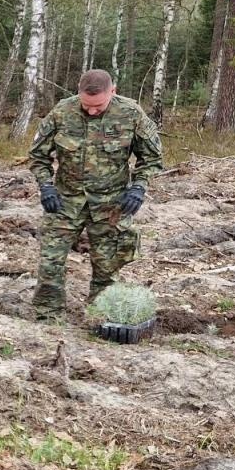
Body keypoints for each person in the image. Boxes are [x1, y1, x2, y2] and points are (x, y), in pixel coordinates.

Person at [28, 69, 164, 320]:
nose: (91, 111)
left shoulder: (131, 113)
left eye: (98, 106)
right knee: (50, 260)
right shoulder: (62, 112)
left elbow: (152, 157)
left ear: (113, 91)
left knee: (107, 267)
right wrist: (46, 186)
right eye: (86, 105)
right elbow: (38, 156)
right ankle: (46, 316)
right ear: (78, 94)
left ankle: (100, 316)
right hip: (64, 201)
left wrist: (139, 187)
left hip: (111, 203)